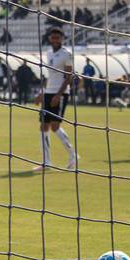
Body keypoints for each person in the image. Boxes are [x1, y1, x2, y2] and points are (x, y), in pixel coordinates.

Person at [34, 27, 77, 171]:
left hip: (61, 93)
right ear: (50, 39)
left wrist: (59, 94)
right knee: (43, 126)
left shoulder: (67, 54)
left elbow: (68, 77)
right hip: (48, 92)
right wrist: (42, 93)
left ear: (62, 39)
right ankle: (46, 162)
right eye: (53, 38)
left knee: (55, 126)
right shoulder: (48, 53)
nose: (55, 40)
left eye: (58, 38)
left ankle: (73, 154)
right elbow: (50, 76)